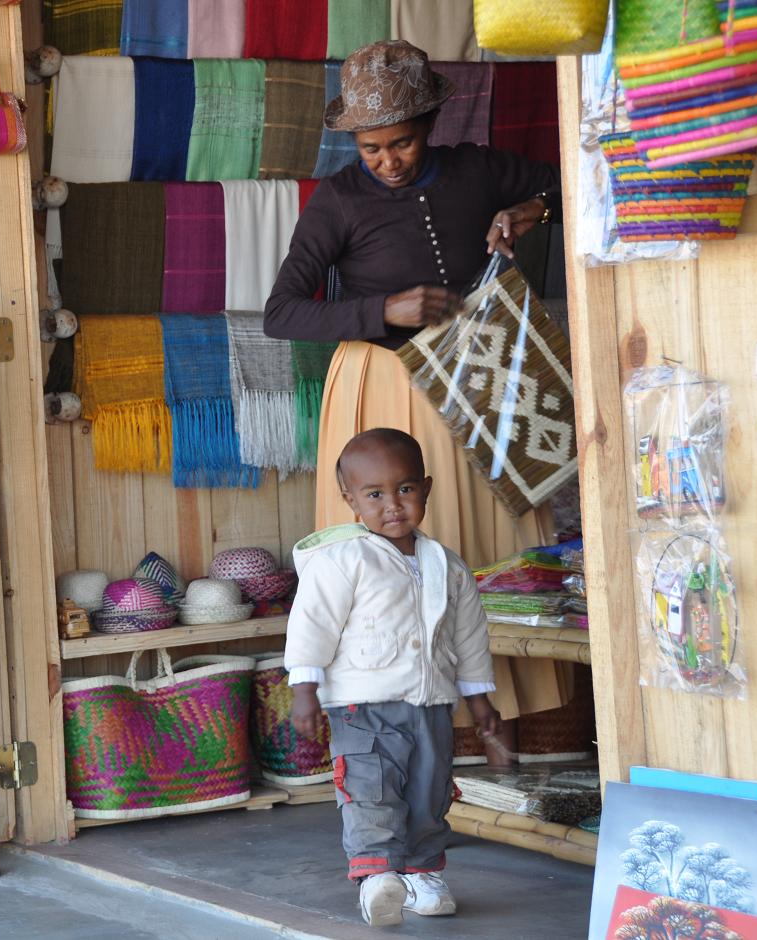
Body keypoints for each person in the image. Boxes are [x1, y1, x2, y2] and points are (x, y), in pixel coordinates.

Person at [264, 40, 570, 761]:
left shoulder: (479, 168)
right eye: (371, 149)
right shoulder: (338, 199)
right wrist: (382, 310)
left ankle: (506, 718)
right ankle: (403, 730)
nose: (387, 161)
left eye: (399, 143)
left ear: (428, 124)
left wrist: (530, 211)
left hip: (481, 374)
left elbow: (566, 184)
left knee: (492, 533)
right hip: (384, 388)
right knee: (399, 548)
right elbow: (281, 313)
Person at [286, 429, 495, 927]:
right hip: (362, 707)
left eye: (404, 489)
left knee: (430, 790)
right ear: (350, 500)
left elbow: (468, 636)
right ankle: (378, 877)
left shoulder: (448, 565)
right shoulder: (342, 560)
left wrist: (481, 699)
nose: (393, 505)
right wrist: (304, 689)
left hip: (432, 704)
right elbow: (312, 623)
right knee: (370, 787)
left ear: (426, 487)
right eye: (374, 494)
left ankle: (422, 873)